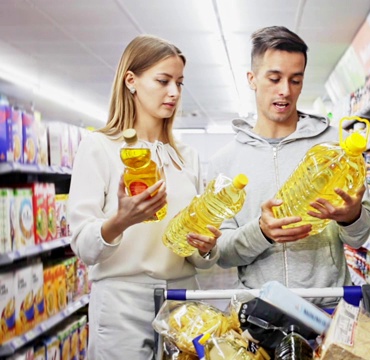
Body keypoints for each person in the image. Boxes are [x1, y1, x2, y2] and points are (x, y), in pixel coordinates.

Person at [68, 35, 220, 359]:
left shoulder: (186, 157)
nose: (175, 93)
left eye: (179, 82)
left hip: (182, 301)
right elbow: (83, 245)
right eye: (163, 81)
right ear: (131, 81)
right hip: (122, 304)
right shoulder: (98, 148)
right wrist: (121, 221)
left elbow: (192, 254)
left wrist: (204, 247)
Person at [207, 26, 370, 304]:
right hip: (260, 315)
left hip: (328, 310)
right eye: (274, 78)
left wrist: (352, 216)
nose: (285, 91)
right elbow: (222, 255)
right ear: (252, 79)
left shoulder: (336, 147)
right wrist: (261, 232)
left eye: (295, 80)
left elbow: (360, 237)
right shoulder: (225, 161)